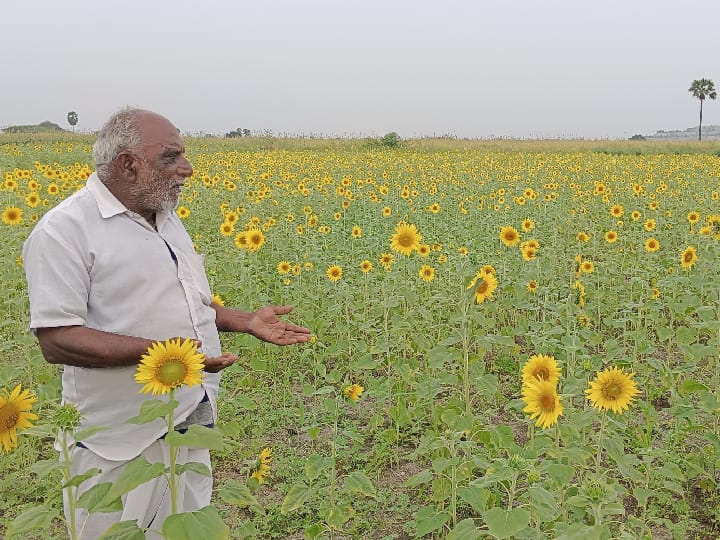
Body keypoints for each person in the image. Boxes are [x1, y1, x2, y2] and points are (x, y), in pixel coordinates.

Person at [22, 107, 310, 538]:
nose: (187, 169)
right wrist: (167, 356)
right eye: (171, 157)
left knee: (184, 525)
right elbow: (57, 339)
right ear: (128, 164)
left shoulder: (166, 219)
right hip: (117, 434)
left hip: (189, 414)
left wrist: (244, 320)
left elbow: (188, 305)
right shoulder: (65, 231)